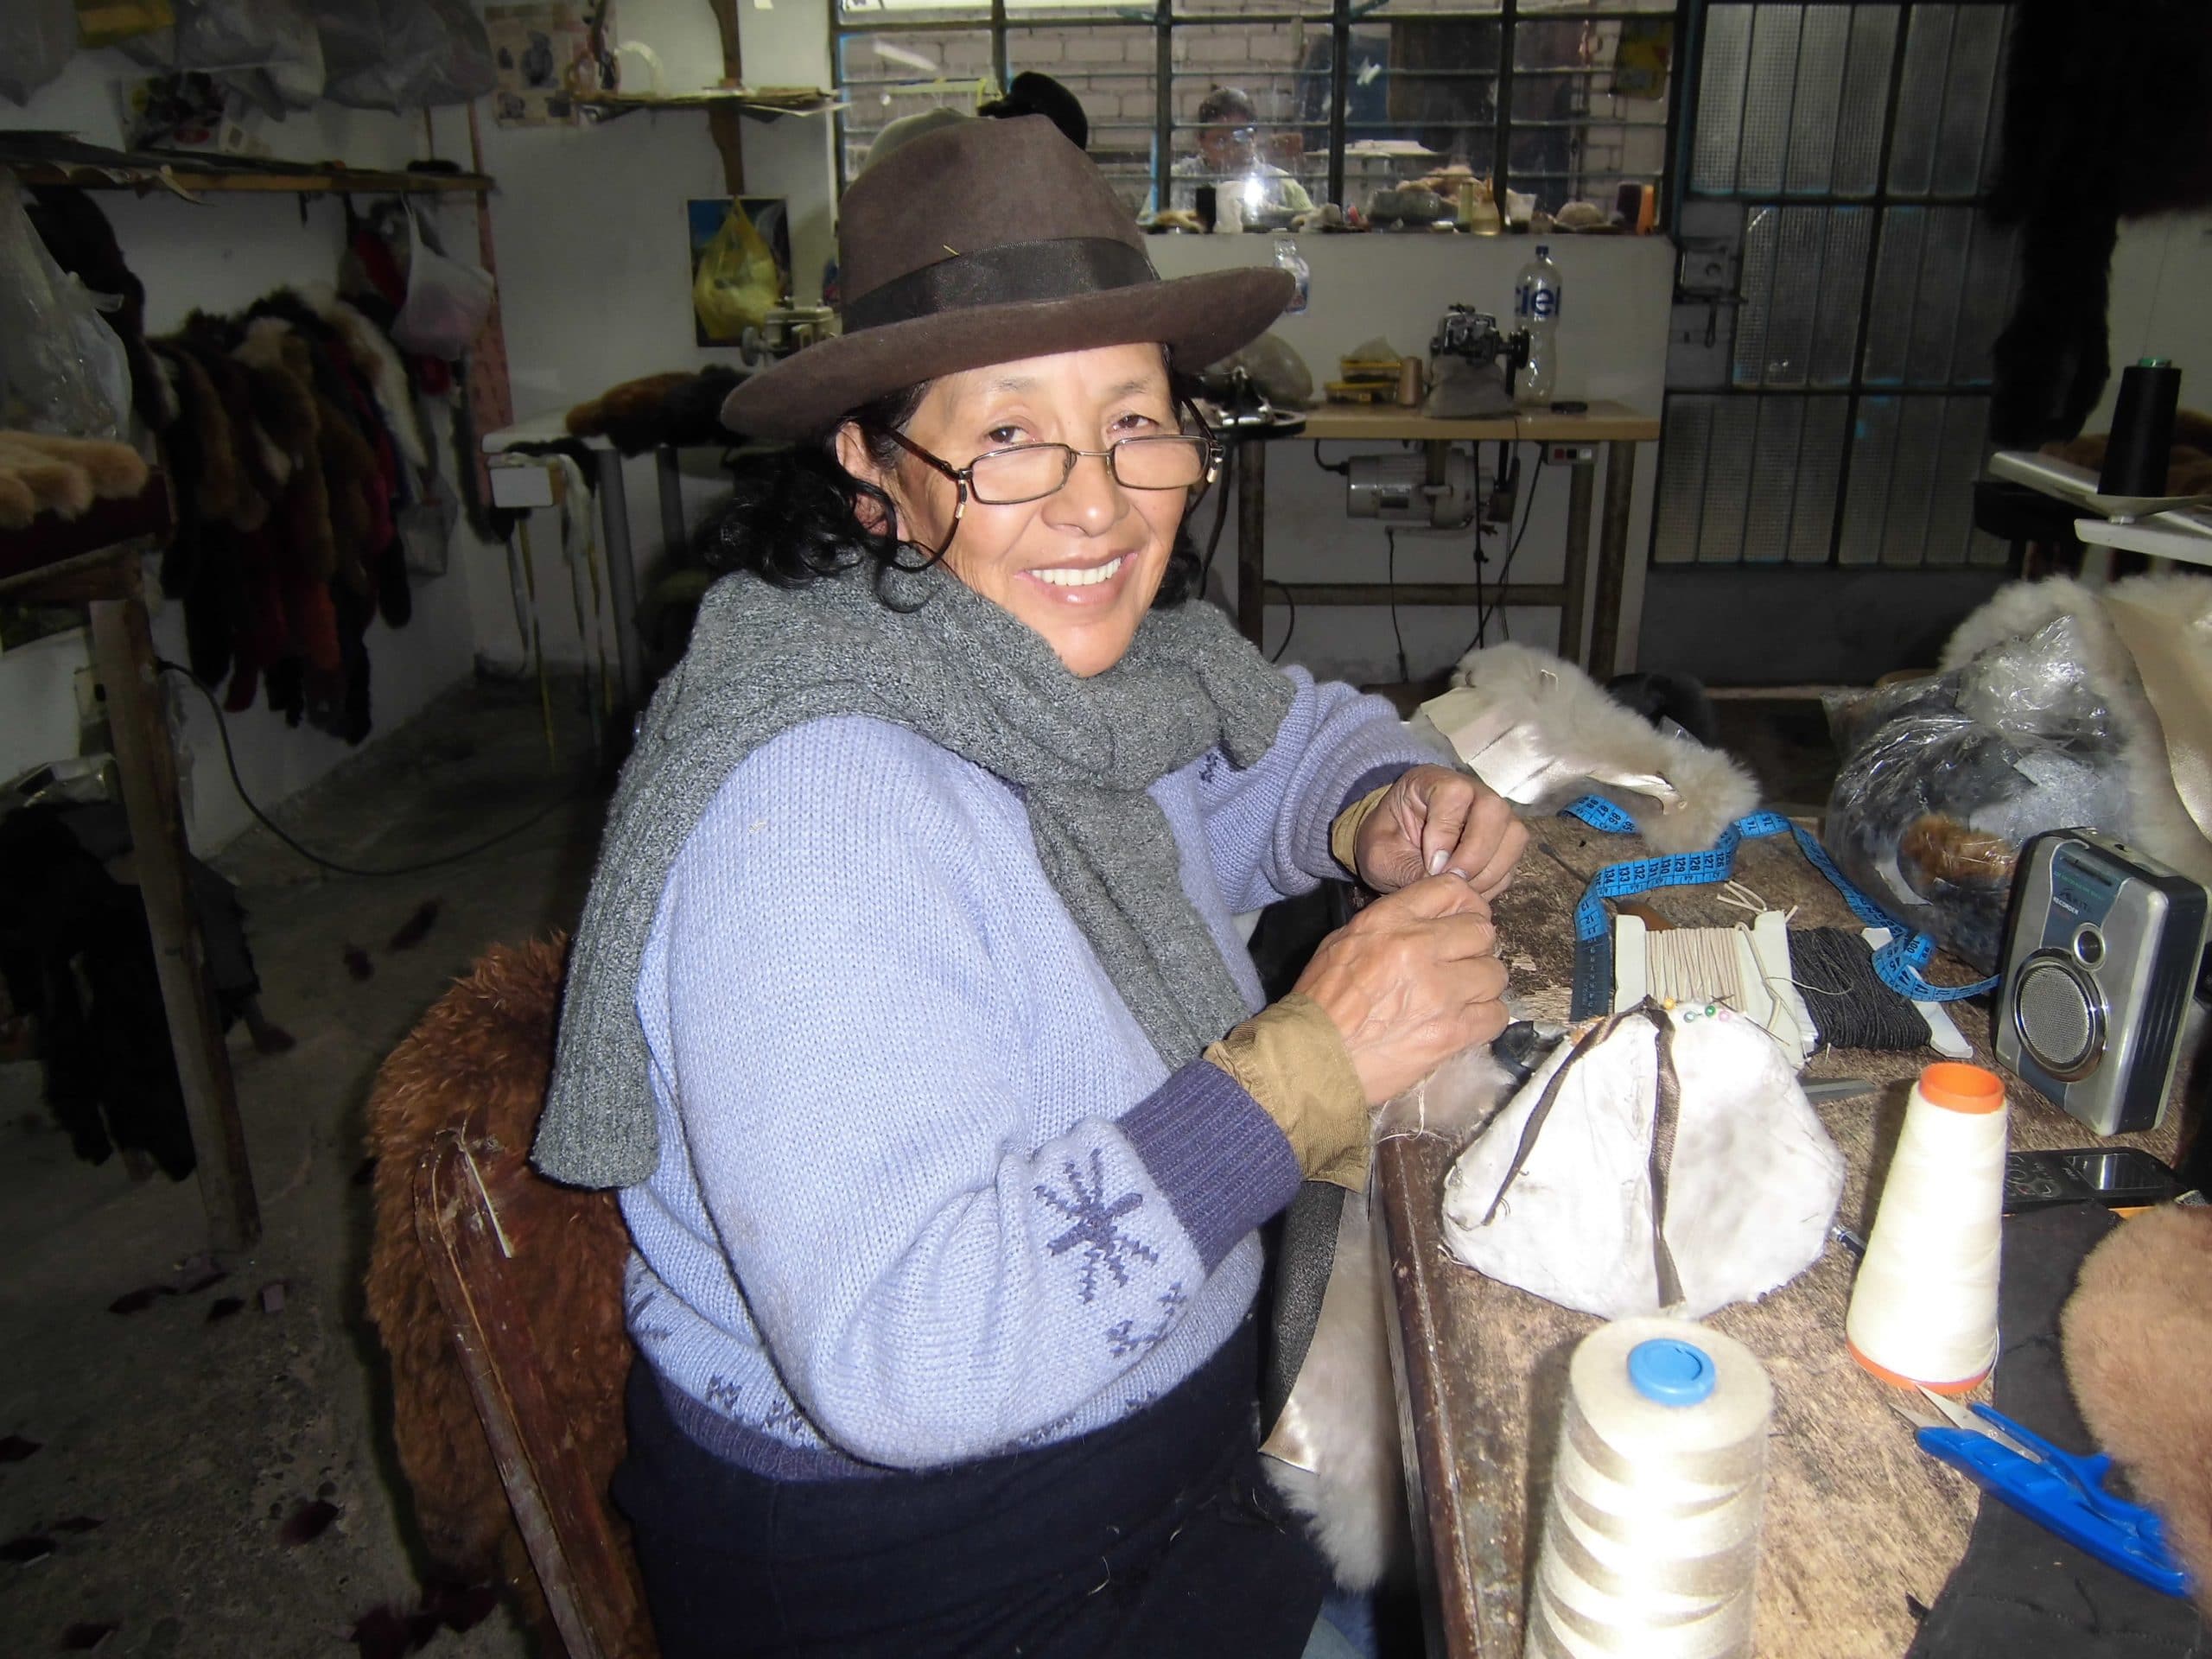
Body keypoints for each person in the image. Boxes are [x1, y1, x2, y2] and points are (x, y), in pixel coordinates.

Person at [534, 115, 1523, 1659]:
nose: (1099, 503)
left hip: (1157, 1460)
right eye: (1008, 436)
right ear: (871, 467)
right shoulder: (817, 807)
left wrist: (1375, 805)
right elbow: (904, 1355)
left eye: (1136, 423)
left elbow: (1270, 744)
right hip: (939, 1570)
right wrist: (1300, 1076)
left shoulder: (1055, 681)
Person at [1172, 85, 1316, 221]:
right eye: (1220, 141)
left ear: (1254, 138)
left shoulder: (1282, 184)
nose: (1232, 150)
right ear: (1200, 141)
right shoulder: (1175, 181)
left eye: (1241, 138)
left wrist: (1271, 212)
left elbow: (1312, 229)